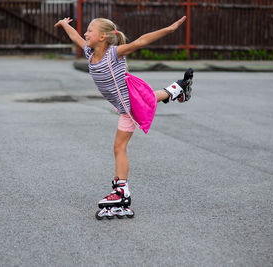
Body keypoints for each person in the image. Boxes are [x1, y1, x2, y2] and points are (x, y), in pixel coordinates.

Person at [54, 16, 193, 218]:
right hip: (128, 101)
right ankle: (178, 88)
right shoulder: (90, 52)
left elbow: (141, 41)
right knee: (148, 98)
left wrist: (169, 29)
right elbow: (76, 37)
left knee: (119, 146)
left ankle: (121, 190)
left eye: (90, 30)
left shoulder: (113, 54)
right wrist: (66, 25)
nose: (85, 33)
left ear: (103, 36)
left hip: (130, 108)